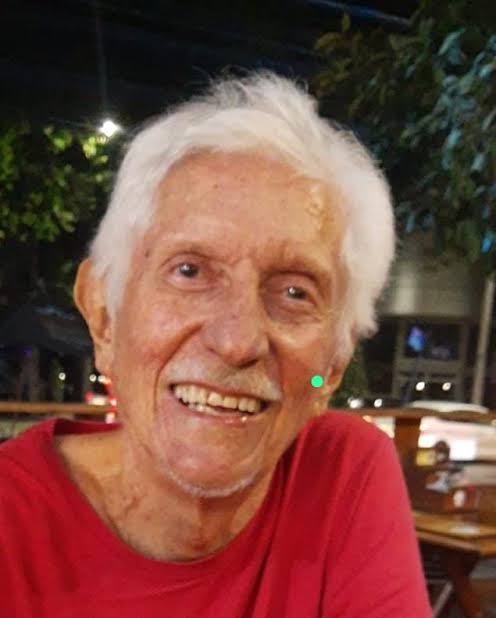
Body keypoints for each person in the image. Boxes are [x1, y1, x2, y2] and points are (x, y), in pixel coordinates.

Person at [0, 72, 433, 617]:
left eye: (295, 292)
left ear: (334, 362)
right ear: (104, 314)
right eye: (190, 271)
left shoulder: (342, 475)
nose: (237, 341)